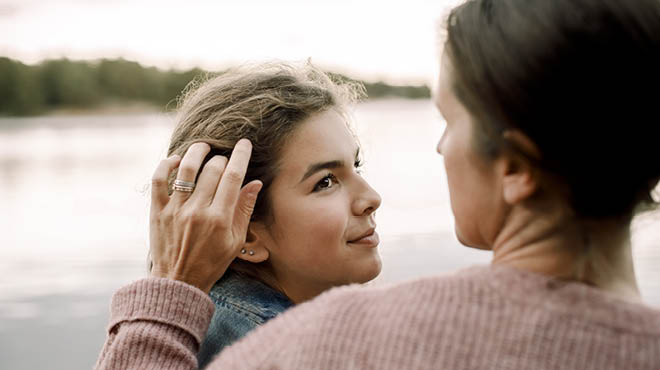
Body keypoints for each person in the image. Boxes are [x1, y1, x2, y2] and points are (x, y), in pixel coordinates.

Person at [95, 0, 660, 369]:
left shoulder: (319, 345)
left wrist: (167, 295)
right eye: (325, 181)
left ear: (515, 166)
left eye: (449, 120)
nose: (372, 196)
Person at [148, 62, 382, 367]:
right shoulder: (275, 354)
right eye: (325, 182)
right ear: (245, 232)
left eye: (356, 166)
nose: (371, 199)